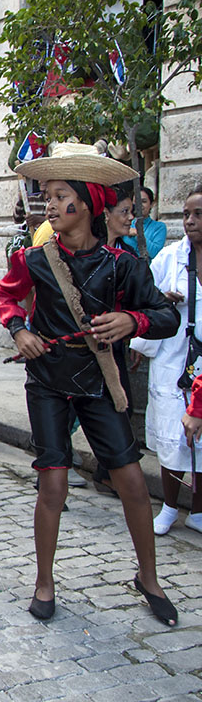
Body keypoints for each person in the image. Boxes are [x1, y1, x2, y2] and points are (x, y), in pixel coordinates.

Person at [0, 141, 180, 627]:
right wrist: (20, 330)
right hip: (48, 382)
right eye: (48, 197)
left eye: (61, 197)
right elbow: (7, 297)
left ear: (88, 203)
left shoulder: (123, 265)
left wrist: (132, 320)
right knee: (53, 482)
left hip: (102, 384)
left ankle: (149, 578)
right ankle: (44, 582)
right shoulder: (33, 259)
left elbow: (166, 317)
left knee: (133, 481)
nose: (50, 206)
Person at [130, 189, 202, 534]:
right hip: (174, 358)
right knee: (173, 435)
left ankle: (198, 511)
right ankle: (170, 507)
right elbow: (144, 299)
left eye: (198, 214)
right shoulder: (170, 258)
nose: (190, 221)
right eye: (186, 214)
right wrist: (163, 301)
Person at [123, 186, 168, 259]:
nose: (139, 204)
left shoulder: (159, 227)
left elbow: (155, 253)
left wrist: (138, 234)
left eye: (143, 201)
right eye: (136, 201)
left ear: (151, 204)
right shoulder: (125, 224)